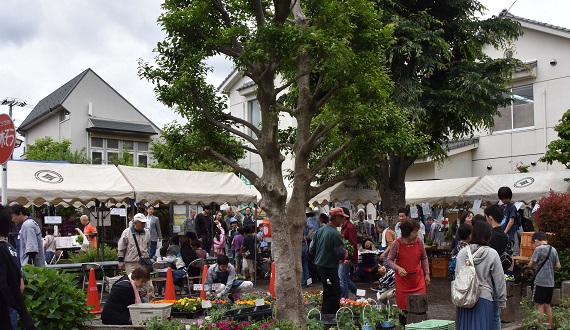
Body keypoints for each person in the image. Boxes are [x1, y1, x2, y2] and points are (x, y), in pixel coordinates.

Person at [455, 221, 506, 330]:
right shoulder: (492, 253)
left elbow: (457, 277)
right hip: (484, 297)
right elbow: (499, 278)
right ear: (488, 235)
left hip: (464, 299)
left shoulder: (462, 253)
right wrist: (502, 299)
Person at [387, 219, 430, 326]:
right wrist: (398, 268)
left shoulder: (419, 241)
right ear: (406, 232)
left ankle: (420, 327)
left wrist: (427, 274)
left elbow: (424, 258)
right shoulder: (396, 244)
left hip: (418, 280)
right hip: (403, 282)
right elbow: (389, 260)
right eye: (414, 231)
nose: (416, 234)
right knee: (403, 310)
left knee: (420, 306)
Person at [0, 204, 36, 330]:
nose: (14, 220)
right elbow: (20, 284)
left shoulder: (27, 225)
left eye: (15, 217)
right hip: (12, 306)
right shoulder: (9, 248)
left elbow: (32, 250)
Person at [309, 207, 348, 314]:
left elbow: (311, 250)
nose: (343, 220)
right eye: (342, 218)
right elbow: (340, 253)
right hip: (329, 267)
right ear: (336, 218)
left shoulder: (319, 231)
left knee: (328, 289)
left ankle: (325, 314)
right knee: (334, 291)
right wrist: (346, 253)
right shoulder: (335, 234)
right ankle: (329, 316)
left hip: (319, 265)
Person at [528, 232, 561, 330]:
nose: (534, 245)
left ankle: (541, 327)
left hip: (540, 282)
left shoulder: (538, 249)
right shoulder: (553, 249)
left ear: (536, 241)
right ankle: (549, 327)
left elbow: (530, 264)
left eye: (534, 243)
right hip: (550, 283)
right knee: (547, 305)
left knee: (539, 305)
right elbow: (558, 266)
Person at [339, 208, 358, 298]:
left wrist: (348, 258)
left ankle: (344, 299)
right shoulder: (344, 227)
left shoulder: (350, 227)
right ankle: (357, 293)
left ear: (344, 217)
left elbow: (353, 243)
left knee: (342, 278)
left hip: (347, 258)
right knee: (345, 277)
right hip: (344, 256)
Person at [498, 187, 521, 256]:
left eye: (505, 198)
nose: (504, 200)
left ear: (509, 197)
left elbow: (511, 221)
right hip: (503, 231)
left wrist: (504, 232)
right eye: (502, 199)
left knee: (512, 250)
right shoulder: (501, 207)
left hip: (511, 232)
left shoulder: (512, 207)